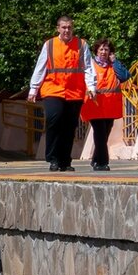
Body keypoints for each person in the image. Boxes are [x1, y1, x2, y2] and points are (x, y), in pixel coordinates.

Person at [27, 15, 97, 172]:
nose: (67, 30)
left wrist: (91, 87)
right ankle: (53, 158)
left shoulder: (81, 44)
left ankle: (65, 160)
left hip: (75, 92)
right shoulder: (50, 45)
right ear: (58, 28)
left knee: (69, 126)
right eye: (64, 27)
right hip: (53, 89)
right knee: (54, 119)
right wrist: (34, 88)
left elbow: (88, 67)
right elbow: (41, 67)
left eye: (69, 27)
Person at [80, 39, 130, 171]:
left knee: (105, 133)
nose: (103, 52)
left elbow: (125, 76)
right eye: (101, 49)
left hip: (110, 105)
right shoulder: (90, 64)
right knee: (100, 132)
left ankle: (96, 159)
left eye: (106, 49)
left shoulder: (113, 65)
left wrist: (114, 62)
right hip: (95, 104)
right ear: (96, 51)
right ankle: (102, 162)